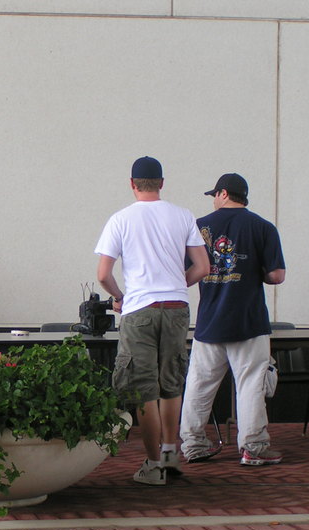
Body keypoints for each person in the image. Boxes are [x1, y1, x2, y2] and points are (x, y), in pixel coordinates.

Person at [96, 156, 209, 485]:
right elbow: (203, 267)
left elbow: (103, 274)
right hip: (176, 308)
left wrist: (121, 296)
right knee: (171, 384)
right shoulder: (183, 215)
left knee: (144, 390)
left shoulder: (120, 219)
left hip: (139, 311)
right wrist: (176, 283)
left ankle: (154, 466)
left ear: (132, 184)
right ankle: (171, 456)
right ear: (162, 183)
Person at [180, 173, 286, 467]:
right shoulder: (263, 227)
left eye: (214, 195)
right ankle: (253, 447)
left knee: (199, 385)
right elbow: (277, 275)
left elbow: (184, 273)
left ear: (224, 193)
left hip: (209, 322)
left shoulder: (198, 227)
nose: (213, 200)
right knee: (250, 385)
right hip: (248, 322)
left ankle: (193, 445)